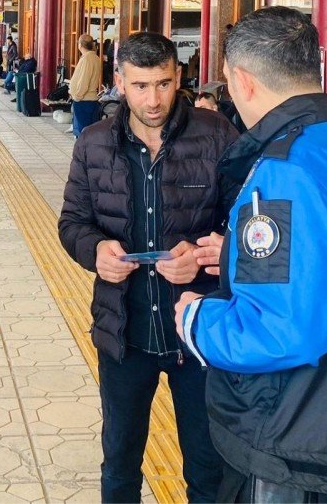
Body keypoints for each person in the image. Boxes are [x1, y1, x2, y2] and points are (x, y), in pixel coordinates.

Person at [178, 6, 327, 502]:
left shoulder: (287, 168)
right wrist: (235, 255)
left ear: (242, 80)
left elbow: (279, 332)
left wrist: (196, 319)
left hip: (300, 450)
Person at [58, 32, 238, 503]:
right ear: (119, 82)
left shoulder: (217, 134)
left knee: (209, 466)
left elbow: (246, 223)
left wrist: (207, 257)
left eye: (162, 83)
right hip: (124, 331)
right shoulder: (94, 143)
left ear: (178, 77)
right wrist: (95, 249)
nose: (153, 99)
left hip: (198, 332)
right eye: (140, 86)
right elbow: (72, 222)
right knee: (120, 464)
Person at [69, 34, 103, 137]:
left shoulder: (87, 59)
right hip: (90, 100)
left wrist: (77, 96)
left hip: (84, 100)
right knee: (89, 133)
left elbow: (84, 80)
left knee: (83, 133)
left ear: (80, 45)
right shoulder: (95, 58)